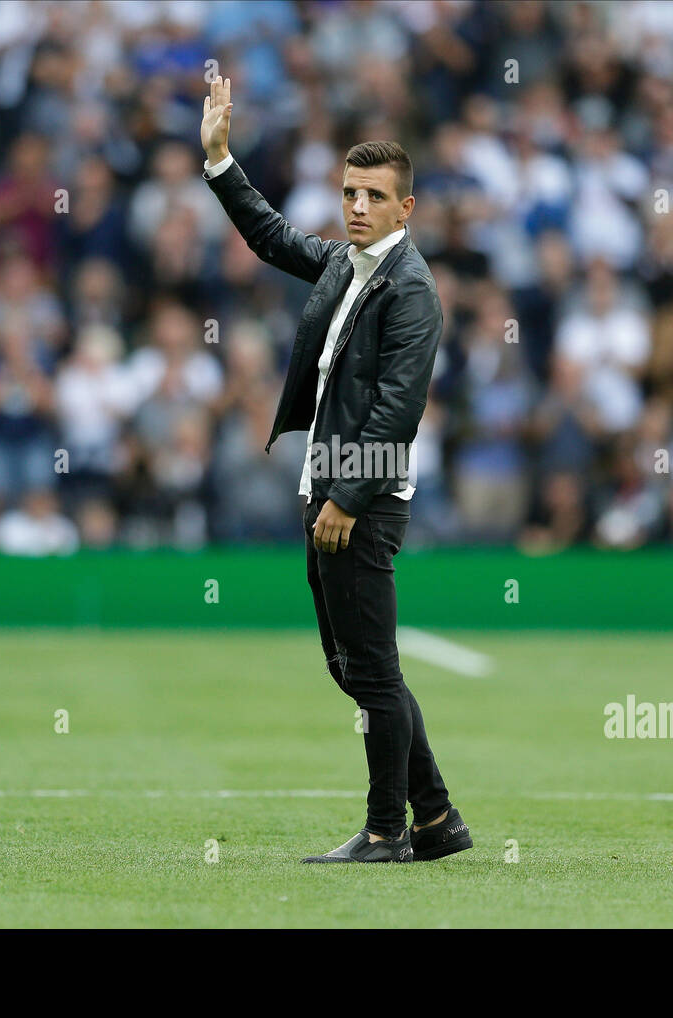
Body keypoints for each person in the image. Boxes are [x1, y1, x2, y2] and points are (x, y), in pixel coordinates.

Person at [200, 75, 471, 864]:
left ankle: (389, 830)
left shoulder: (410, 288)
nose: (355, 206)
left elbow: (400, 407)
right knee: (354, 668)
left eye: (372, 196)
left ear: (405, 209)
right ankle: (438, 820)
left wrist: (348, 496)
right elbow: (272, 236)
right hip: (332, 489)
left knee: (373, 673)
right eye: (350, 191)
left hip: (365, 496)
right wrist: (221, 162)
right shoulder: (345, 266)